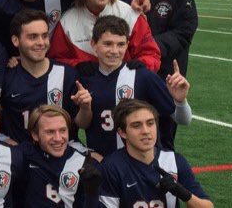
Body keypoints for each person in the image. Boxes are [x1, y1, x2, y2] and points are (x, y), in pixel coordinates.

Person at [77, 16, 191, 156]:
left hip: (141, 166)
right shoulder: (86, 80)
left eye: (120, 44)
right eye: (108, 44)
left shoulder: (143, 77)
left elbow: (183, 120)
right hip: (103, 165)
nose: (114, 51)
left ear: (127, 44)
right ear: (93, 44)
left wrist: (180, 101)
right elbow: (82, 124)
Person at [97, 99, 213, 208]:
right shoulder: (111, 167)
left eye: (150, 123)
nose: (146, 131)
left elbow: (208, 206)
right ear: (122, 133)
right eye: (136, 125)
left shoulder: (174, 161)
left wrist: (184, 194)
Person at [50, 0, 161, 73]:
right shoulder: (67, 21)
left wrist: (134, 70)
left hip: (125, 86)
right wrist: (79, 67)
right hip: (85, 86)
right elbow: (57, 61)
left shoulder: (130, 14)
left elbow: (150, 55)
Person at [0, 9, 88, 145]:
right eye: (33, 37)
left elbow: (83, 124)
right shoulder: (5, 77)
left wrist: (85, 108)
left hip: (62, 157)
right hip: (21, 159)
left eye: (44, 36)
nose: (41, 42)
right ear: (16, 40)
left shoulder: (68, 74)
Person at [21, 105, 101, 208]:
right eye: (50, 132)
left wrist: (92, 193)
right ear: (35, 135)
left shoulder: (85, 164)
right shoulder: (22, 156)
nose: (58, 138)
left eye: (63, 130)